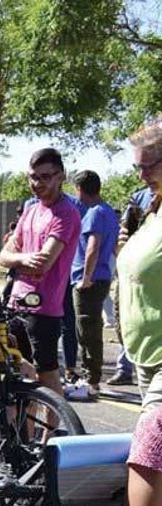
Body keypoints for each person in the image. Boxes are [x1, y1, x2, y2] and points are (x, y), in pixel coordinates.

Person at [0, 148, 81, 397]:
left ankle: (51, 434)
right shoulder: (31, 210)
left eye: (45, 177)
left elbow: (43, 263)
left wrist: (17, 260)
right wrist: (22, 258)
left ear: (60, 177)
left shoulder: (66, 213)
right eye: (33, 177)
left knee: (46, 373)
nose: (37, 183)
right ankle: (26, 432)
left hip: (43, 309)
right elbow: (3, 256)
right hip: (16, 302)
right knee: (18, 371)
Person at [117, 118, 162, 409]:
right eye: (138, 167)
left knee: (148, 451)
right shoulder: (152, 208)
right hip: (144, 355)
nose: (142, 176)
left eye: (150, 166)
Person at [66, 170, 120, 394]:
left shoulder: (94, 213)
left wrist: (85, 278)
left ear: (80, 189)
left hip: (89, 281)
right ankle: (92, 378)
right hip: (102, 277)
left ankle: (91, 382)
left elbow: (93, 247)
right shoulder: (108, 211)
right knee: (91, 329)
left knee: (86, 332)